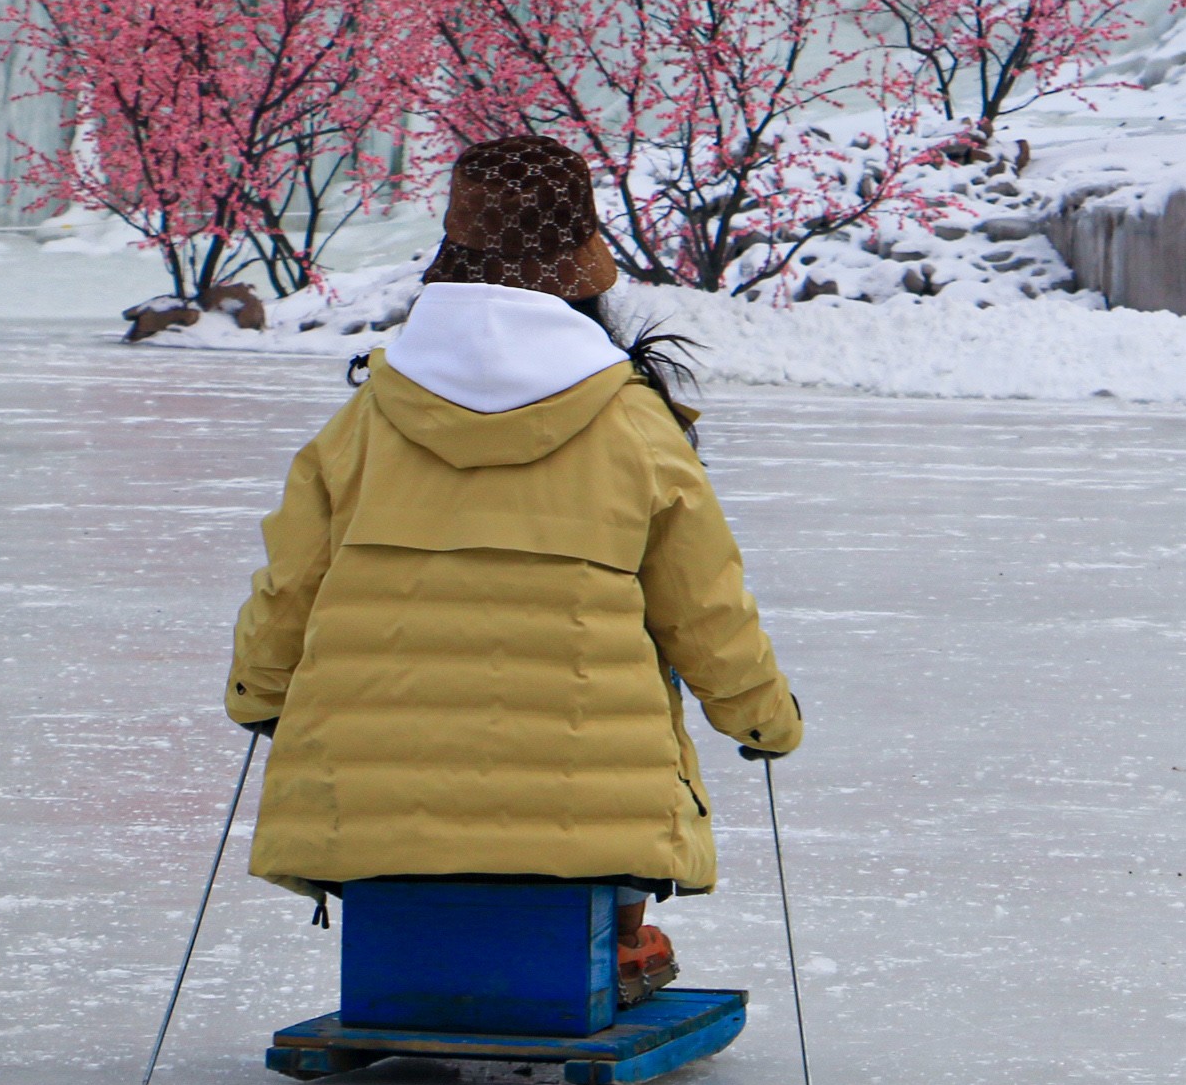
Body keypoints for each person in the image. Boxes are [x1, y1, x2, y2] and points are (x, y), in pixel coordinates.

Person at [223, 135, 803, 1000]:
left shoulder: (364, 424)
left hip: (378, 803)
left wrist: (259, 697)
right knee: (583, 815)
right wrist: (764, 722)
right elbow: (706, 610)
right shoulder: (637, 427)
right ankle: (616, 935)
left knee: (401, 817)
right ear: (582, 272)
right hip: (583, 818)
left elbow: (291, 585)